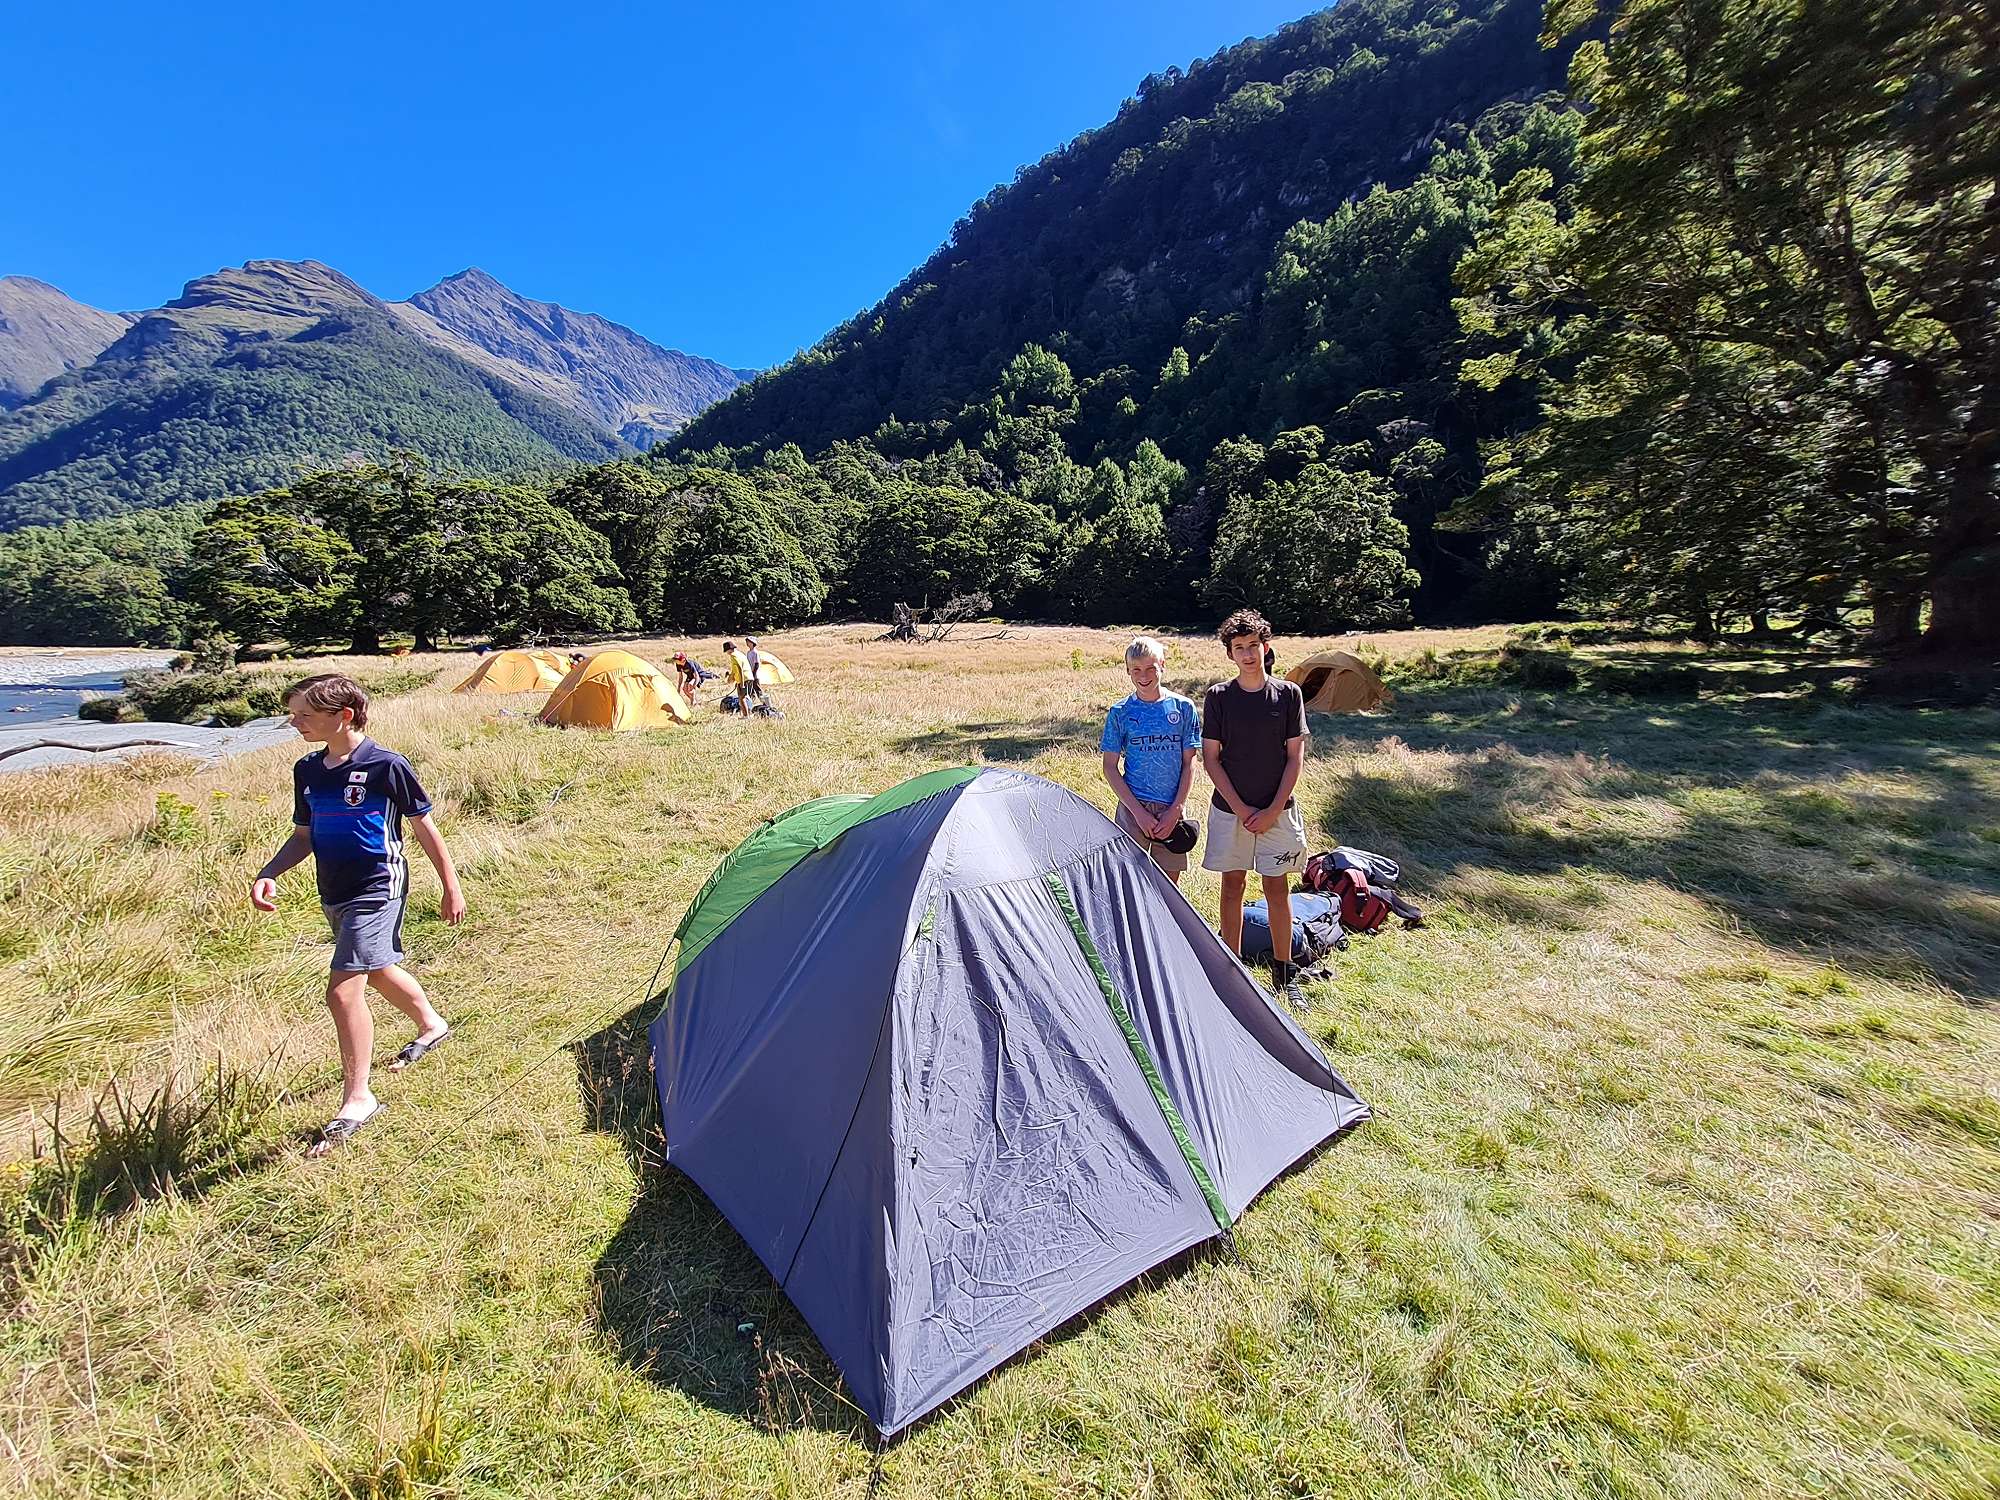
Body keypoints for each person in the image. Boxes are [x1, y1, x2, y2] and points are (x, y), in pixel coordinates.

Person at [250, 674, 465, 1156]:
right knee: (379, 968)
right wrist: (270, 872)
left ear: (343, 716)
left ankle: (358, 1098)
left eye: (305, 715)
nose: (294, 722)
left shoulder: (386, 765)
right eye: (293, 714)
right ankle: (432, 1024)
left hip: (378, 886)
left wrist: (450, 886)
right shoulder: (308, 769)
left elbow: (425, 828)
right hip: (334, 889)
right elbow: (303, 836)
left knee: (343, 989)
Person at [1201, 609, 1309, 1006]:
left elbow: (1295, 757)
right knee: (1232, 886)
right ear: (1230, 653)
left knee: (1276, 888)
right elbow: (1211, 758)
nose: (1247, 654)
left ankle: (1285, 971)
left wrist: (1272, 810)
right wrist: (1243, 809)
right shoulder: (1218, 697)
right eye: (1239, 647)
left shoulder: (1288, 694)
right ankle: (1232, 973)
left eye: (1253, 645)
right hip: (1231, 812)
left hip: (1278, 810)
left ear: (1266, 647)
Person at [1100, 636, 1200, 884]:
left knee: (1168, 887)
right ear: (1127, 670)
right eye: (1136, 670)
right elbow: (1110, 767)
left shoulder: (1183, 708)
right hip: (1133, 810)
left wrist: (1175, 810)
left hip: (1171, 808)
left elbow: (1190, 762)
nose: (1143, 676)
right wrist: (1138, 813)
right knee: (1130, 883)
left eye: (1150, 668)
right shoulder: (1120, 712)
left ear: (1162, 665)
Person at [722, 640, 753, 717]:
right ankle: (749, 713)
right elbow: (735, 670)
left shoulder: (733, 656)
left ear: (728, 650)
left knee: (741, 698)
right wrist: (735, 680)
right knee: (745, 697)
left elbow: (739, 669)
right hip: (748, 677)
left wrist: (741, 683)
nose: (727, 653)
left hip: (744, 679)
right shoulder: (740, 654)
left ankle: (746, 716)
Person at [743, 637, 768, 707]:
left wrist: (753, 674)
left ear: (752, 643)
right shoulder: (748, 652)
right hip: (750, 674)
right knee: (750, 690)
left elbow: (756, 664)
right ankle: (751, 704)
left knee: (758, 689)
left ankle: (766, 704)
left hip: (755, 675)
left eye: (748, 642)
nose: (747, 643)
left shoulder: (755, 652)